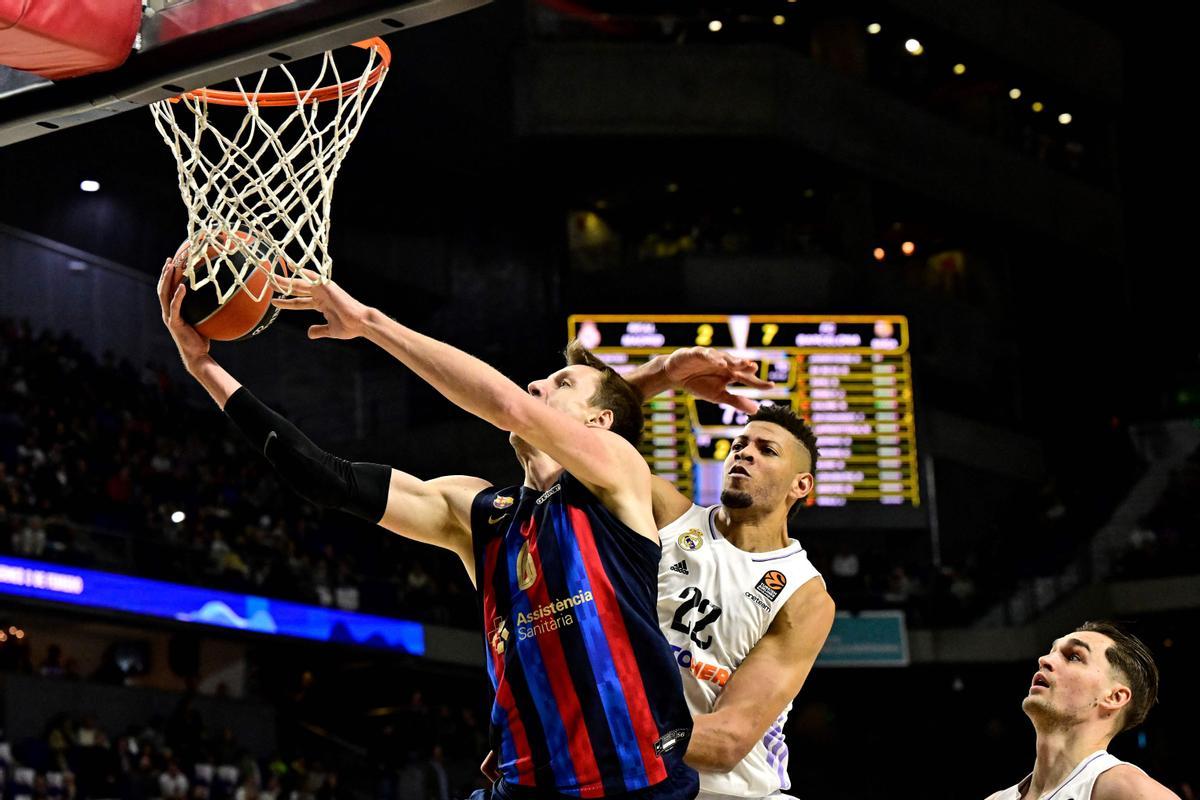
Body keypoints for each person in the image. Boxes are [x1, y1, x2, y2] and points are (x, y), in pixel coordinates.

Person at [157, 264, 697, 800]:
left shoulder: (618, 474)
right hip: (524, 785)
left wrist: (369, 321)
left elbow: (508, 404)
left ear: (598, 423)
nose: (537, 384)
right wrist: (202, 366)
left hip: (635, 785)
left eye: (562, 383)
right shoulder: (480, 513)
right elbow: (327, 477)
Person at [627, 354, 835, 799]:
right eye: (740, 443)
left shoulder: (804, 593)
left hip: (737, 792)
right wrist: (659, 375)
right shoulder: (666, 514)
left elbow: (726, 741)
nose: (744, 452)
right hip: (640, 776)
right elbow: (569, 439)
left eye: (767, 450)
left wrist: (603, 732)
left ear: (801, 486)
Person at [984, 621, 1178, 800]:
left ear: (1114, 697)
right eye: (1051, 651)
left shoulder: (1128, 789)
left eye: (1073, 657)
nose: (1044, 659)